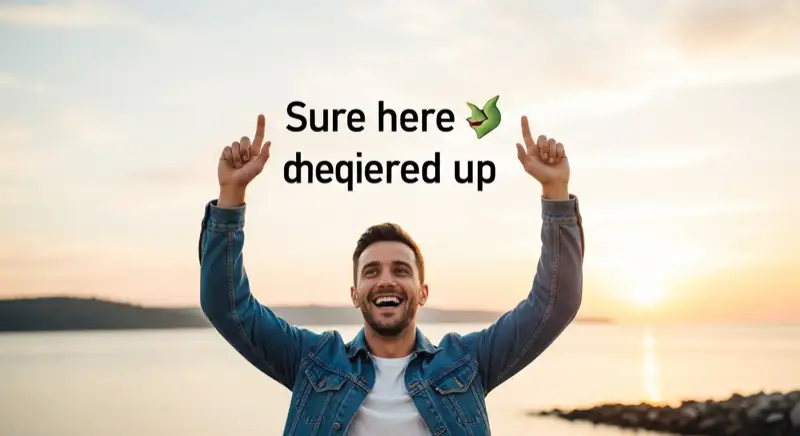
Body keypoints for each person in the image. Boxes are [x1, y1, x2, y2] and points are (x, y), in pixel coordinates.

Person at [198, 113, 584, 436]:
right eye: (371, 271)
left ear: (423, 291)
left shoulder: (467, 362)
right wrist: (231, 195)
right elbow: (228, 305)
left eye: (401, 270)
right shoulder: (312, 361)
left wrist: (555, 191)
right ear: (354, 293)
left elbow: (553, 304)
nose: (386, 280)